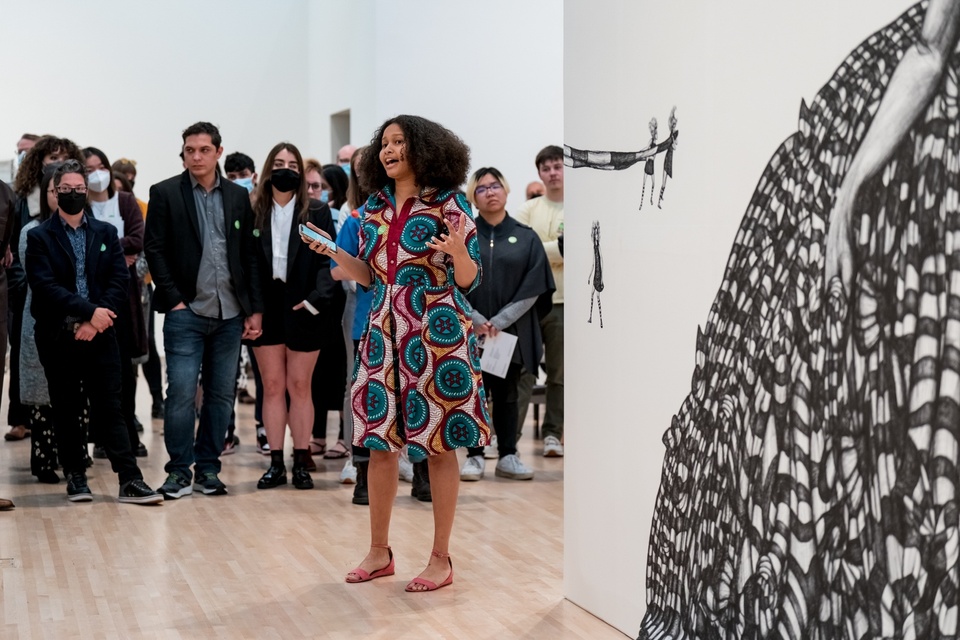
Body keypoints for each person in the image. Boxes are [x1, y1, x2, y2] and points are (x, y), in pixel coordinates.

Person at [639, 3, 960, 638]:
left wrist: (849, 194)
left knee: (846, 386)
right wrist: (844, 195)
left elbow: (930, 53)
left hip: (888, 145)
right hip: (871, 131)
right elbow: (927, 49)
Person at [304, 115, 490, 592]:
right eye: (383, 143)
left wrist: (459, 253)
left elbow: (469, 278)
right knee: (379, 443)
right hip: (383, 331)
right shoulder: (372, 209)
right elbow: (368, 275)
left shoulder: (450, 204)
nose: (387, 150)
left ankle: (441, 558)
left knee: (440, 444)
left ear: (423, 149)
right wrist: (334, 256)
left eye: (398, 142)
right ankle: (379, 551)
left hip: (437, 332)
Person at [25, 160, 161, 504]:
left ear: (87, 192)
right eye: (65, 190)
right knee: (66, 407)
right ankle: (76, 477)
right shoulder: (39, 236)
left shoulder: (105, 233)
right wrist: (88, 314)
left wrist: (96, 321)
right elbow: (45, 287)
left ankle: (129, 479)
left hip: (101, 333)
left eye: (79, 189)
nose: (72, 194)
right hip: (59, 335)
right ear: (54, 193)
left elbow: (119, 280)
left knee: (111, 408)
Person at [144, 122, 263, 499]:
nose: (196, 156)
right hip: (186, 312)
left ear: (218, 152)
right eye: (189, 150)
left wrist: (253, 309)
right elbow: (155, 249)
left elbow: (248, 256)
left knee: (221, 395)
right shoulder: (164, 193)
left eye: (203, 150)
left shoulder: (237, 196)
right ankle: (179, 471)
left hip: (230, 313)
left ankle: (209, 469)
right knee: (179, 392)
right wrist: (175, 299)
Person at [247, 142, 338, 490]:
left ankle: (302, 459)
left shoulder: (316, 210)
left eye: (293, 164)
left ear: (301, 173)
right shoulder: (254, 209)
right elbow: (248, 262)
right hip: (264, 307)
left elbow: (326, 261)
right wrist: (253, 308)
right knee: (271, 386)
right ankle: (275, 463)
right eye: (279, 162)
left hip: (305, 306)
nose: (286, 168)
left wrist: (316, 300)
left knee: (300, 386)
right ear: (269, 167)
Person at [459, 168, 553, 482]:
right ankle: (473, 456)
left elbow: (534, 286)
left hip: (507, 334)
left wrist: (498, 322)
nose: (490, 192)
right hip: (469, 331)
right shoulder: (464, 235)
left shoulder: (526, 236)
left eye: (495, 185)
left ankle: (509, 454)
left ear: (506, 190)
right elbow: (448, 282)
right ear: (473, 196)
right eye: (482, 188)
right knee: (472, 393)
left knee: (507, 394)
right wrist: (474, 319)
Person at [6, 136, 84, 442]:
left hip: (67, 302)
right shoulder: (21, 199)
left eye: (63, 156)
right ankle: (20, 420)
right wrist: (23, 286)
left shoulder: (75, 204)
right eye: (51, 157)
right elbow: (13, 247)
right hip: (27, 294)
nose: (56, 161)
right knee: (25, 363)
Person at [83, 147, 148, 458]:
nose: (96, 174)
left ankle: (128, 437)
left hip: (126, 298)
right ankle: (101, 438)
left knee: (125, 370)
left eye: (100, 166)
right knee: (97, 372)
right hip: (93, 300)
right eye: (89, 168)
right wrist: (116, 254)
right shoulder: (81, 207)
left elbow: (138, 239)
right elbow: (85, 245)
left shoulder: (125, 202)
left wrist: (105, 249)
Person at [514, 145, 564, 456]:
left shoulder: (582, 207)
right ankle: (508, 440)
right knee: (523, 372)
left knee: (559, 373)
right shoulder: (527, 210)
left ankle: (553, 435)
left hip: (564, 302)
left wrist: (540, 251)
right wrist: (558, 250)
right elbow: (521, 250)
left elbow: (584, 249)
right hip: (530, 303)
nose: (553, 173)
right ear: (539, 174)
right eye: (547, 168)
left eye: (557, 166)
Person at [21, 163, 67, 483]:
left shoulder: (87, 229)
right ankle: (43, 459)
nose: (60, 196)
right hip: (40, 317)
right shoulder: (31, 231)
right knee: (42, 396)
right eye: (54, 190)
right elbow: (36, 277)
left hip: (78, 320)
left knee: (73, 392)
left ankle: (72, 456)